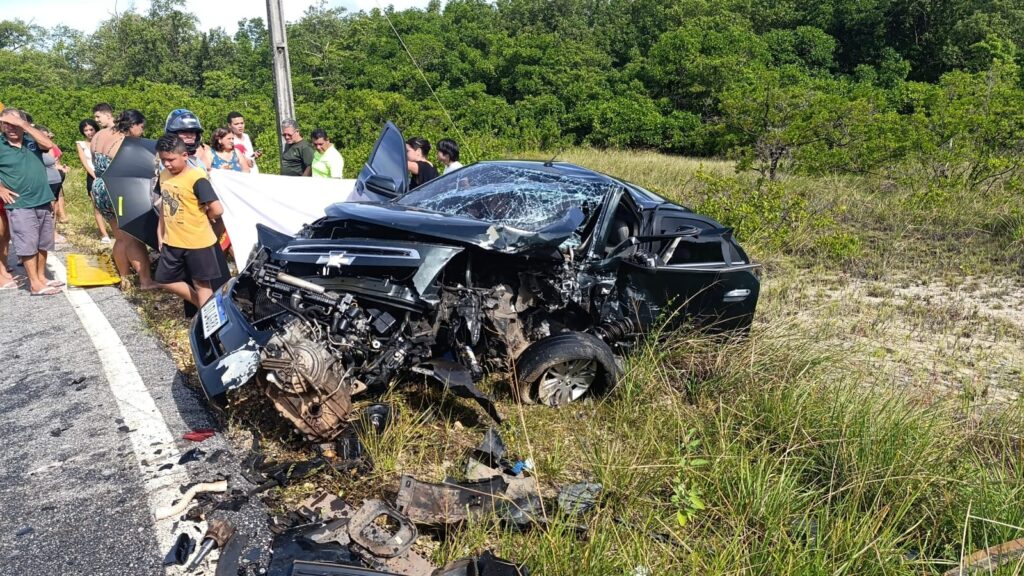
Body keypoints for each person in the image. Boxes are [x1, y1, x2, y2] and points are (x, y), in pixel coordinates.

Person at [154, 133, 223, 308]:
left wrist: (207, 217)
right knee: (164, 279)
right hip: (172, 240)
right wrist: (160, 232)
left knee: (202, 284)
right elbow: (164, 205)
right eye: (163, 160)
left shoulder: (197, 178)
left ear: (184, 156)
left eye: (171, 159)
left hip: (198, 242)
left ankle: (208, 318)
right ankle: (204, 308)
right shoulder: (164, 175)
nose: (167, 164)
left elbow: (217, 209)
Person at [91, 109, 157, 290]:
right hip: (118, 189)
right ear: (133, 125)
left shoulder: (98, 135)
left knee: (119, 237)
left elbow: (94, 162)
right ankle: (146, 281)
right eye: (141, 127)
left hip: (99, 187)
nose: (142, 132)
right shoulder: (126, 142)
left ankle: (125, 278)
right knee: (133, 238)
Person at [0, 107, 61, 295]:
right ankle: (35, 284)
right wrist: (0, 189)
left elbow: (49, 144)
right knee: (27, 243)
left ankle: (42, 277)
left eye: (14, 123)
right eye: (6, 123)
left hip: (42, 199)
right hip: (20, 203)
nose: (10, 127)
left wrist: (23, 124)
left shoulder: (32, 140)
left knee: (43, 242)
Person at [76, 119, 109, 243]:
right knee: (97, 205)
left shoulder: (103, 141)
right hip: (93, 175)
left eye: (91, 129)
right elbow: (85, 162)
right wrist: (95, 176)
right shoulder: (81, 144)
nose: (89, 132)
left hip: (107, 174)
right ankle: (104, 234)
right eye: (86, 130)